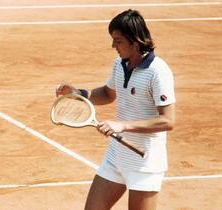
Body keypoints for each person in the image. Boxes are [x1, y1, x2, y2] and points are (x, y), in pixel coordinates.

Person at [55, 9, 175, 210]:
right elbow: (108, 93)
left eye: (118, 41)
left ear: (135, 42)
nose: (113, 46)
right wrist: (79, 94)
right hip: (116, 155)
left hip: (145, 161)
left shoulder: (158, 72)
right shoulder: (119, 65)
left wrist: (122, 125)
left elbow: (168, 121)